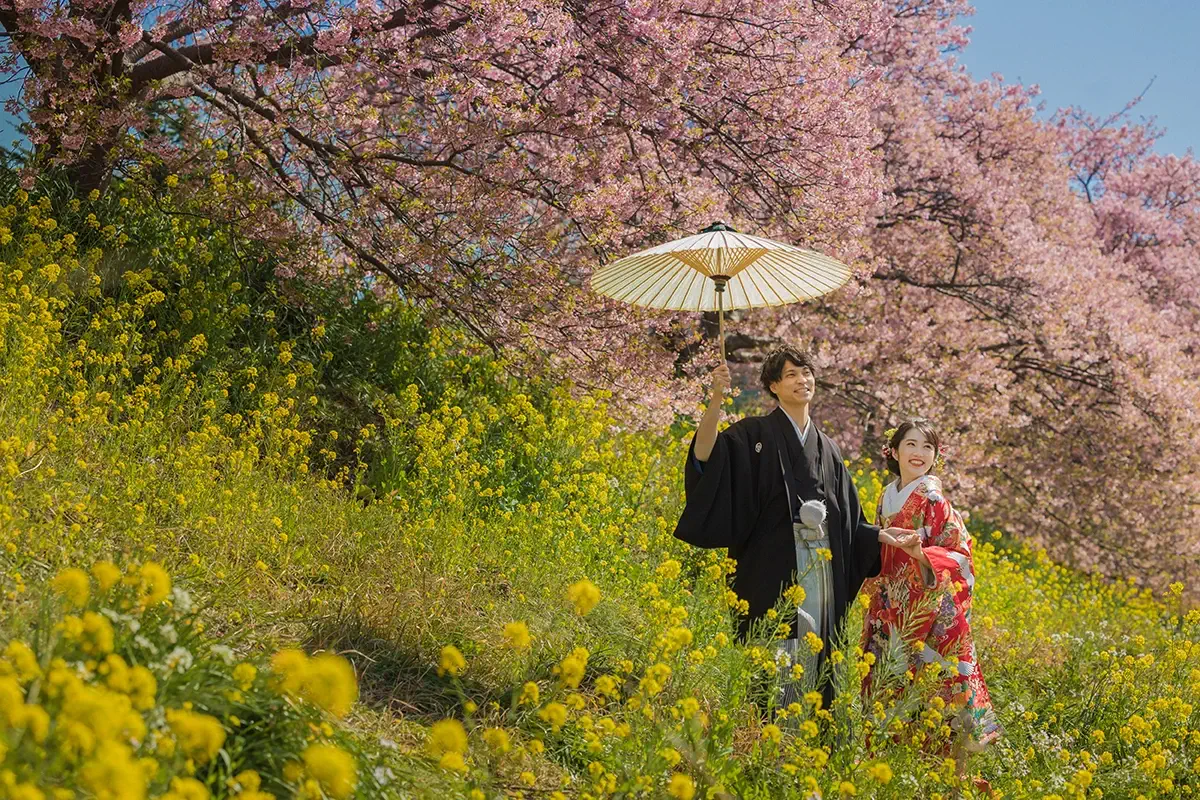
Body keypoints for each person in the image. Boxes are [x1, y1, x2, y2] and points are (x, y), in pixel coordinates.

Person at [673, 345, 902, 706]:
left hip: (821, 567)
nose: (802, 380)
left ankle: (808, 738)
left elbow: (849, 518)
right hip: (770, 564)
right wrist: (716, 398)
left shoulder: (828, 447)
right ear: (773, 386)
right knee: (771, 649)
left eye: (806, 372)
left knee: (815, 651)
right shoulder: (752, 433)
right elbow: (705, 456)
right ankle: (765, 739)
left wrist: (879, 535)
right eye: (791, 374)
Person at [859, 419, 1001, 783]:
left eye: (927, 447)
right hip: (892, 605)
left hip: (931, 609)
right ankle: (900, 778)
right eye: (911, 444)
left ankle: (950, 781)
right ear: (893, 451)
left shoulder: (934, 498)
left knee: (939, 695)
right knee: (891, 690)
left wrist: (920, 552)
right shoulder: (887, 495)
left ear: (936, 455)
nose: (919, 453)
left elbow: (960, 553)